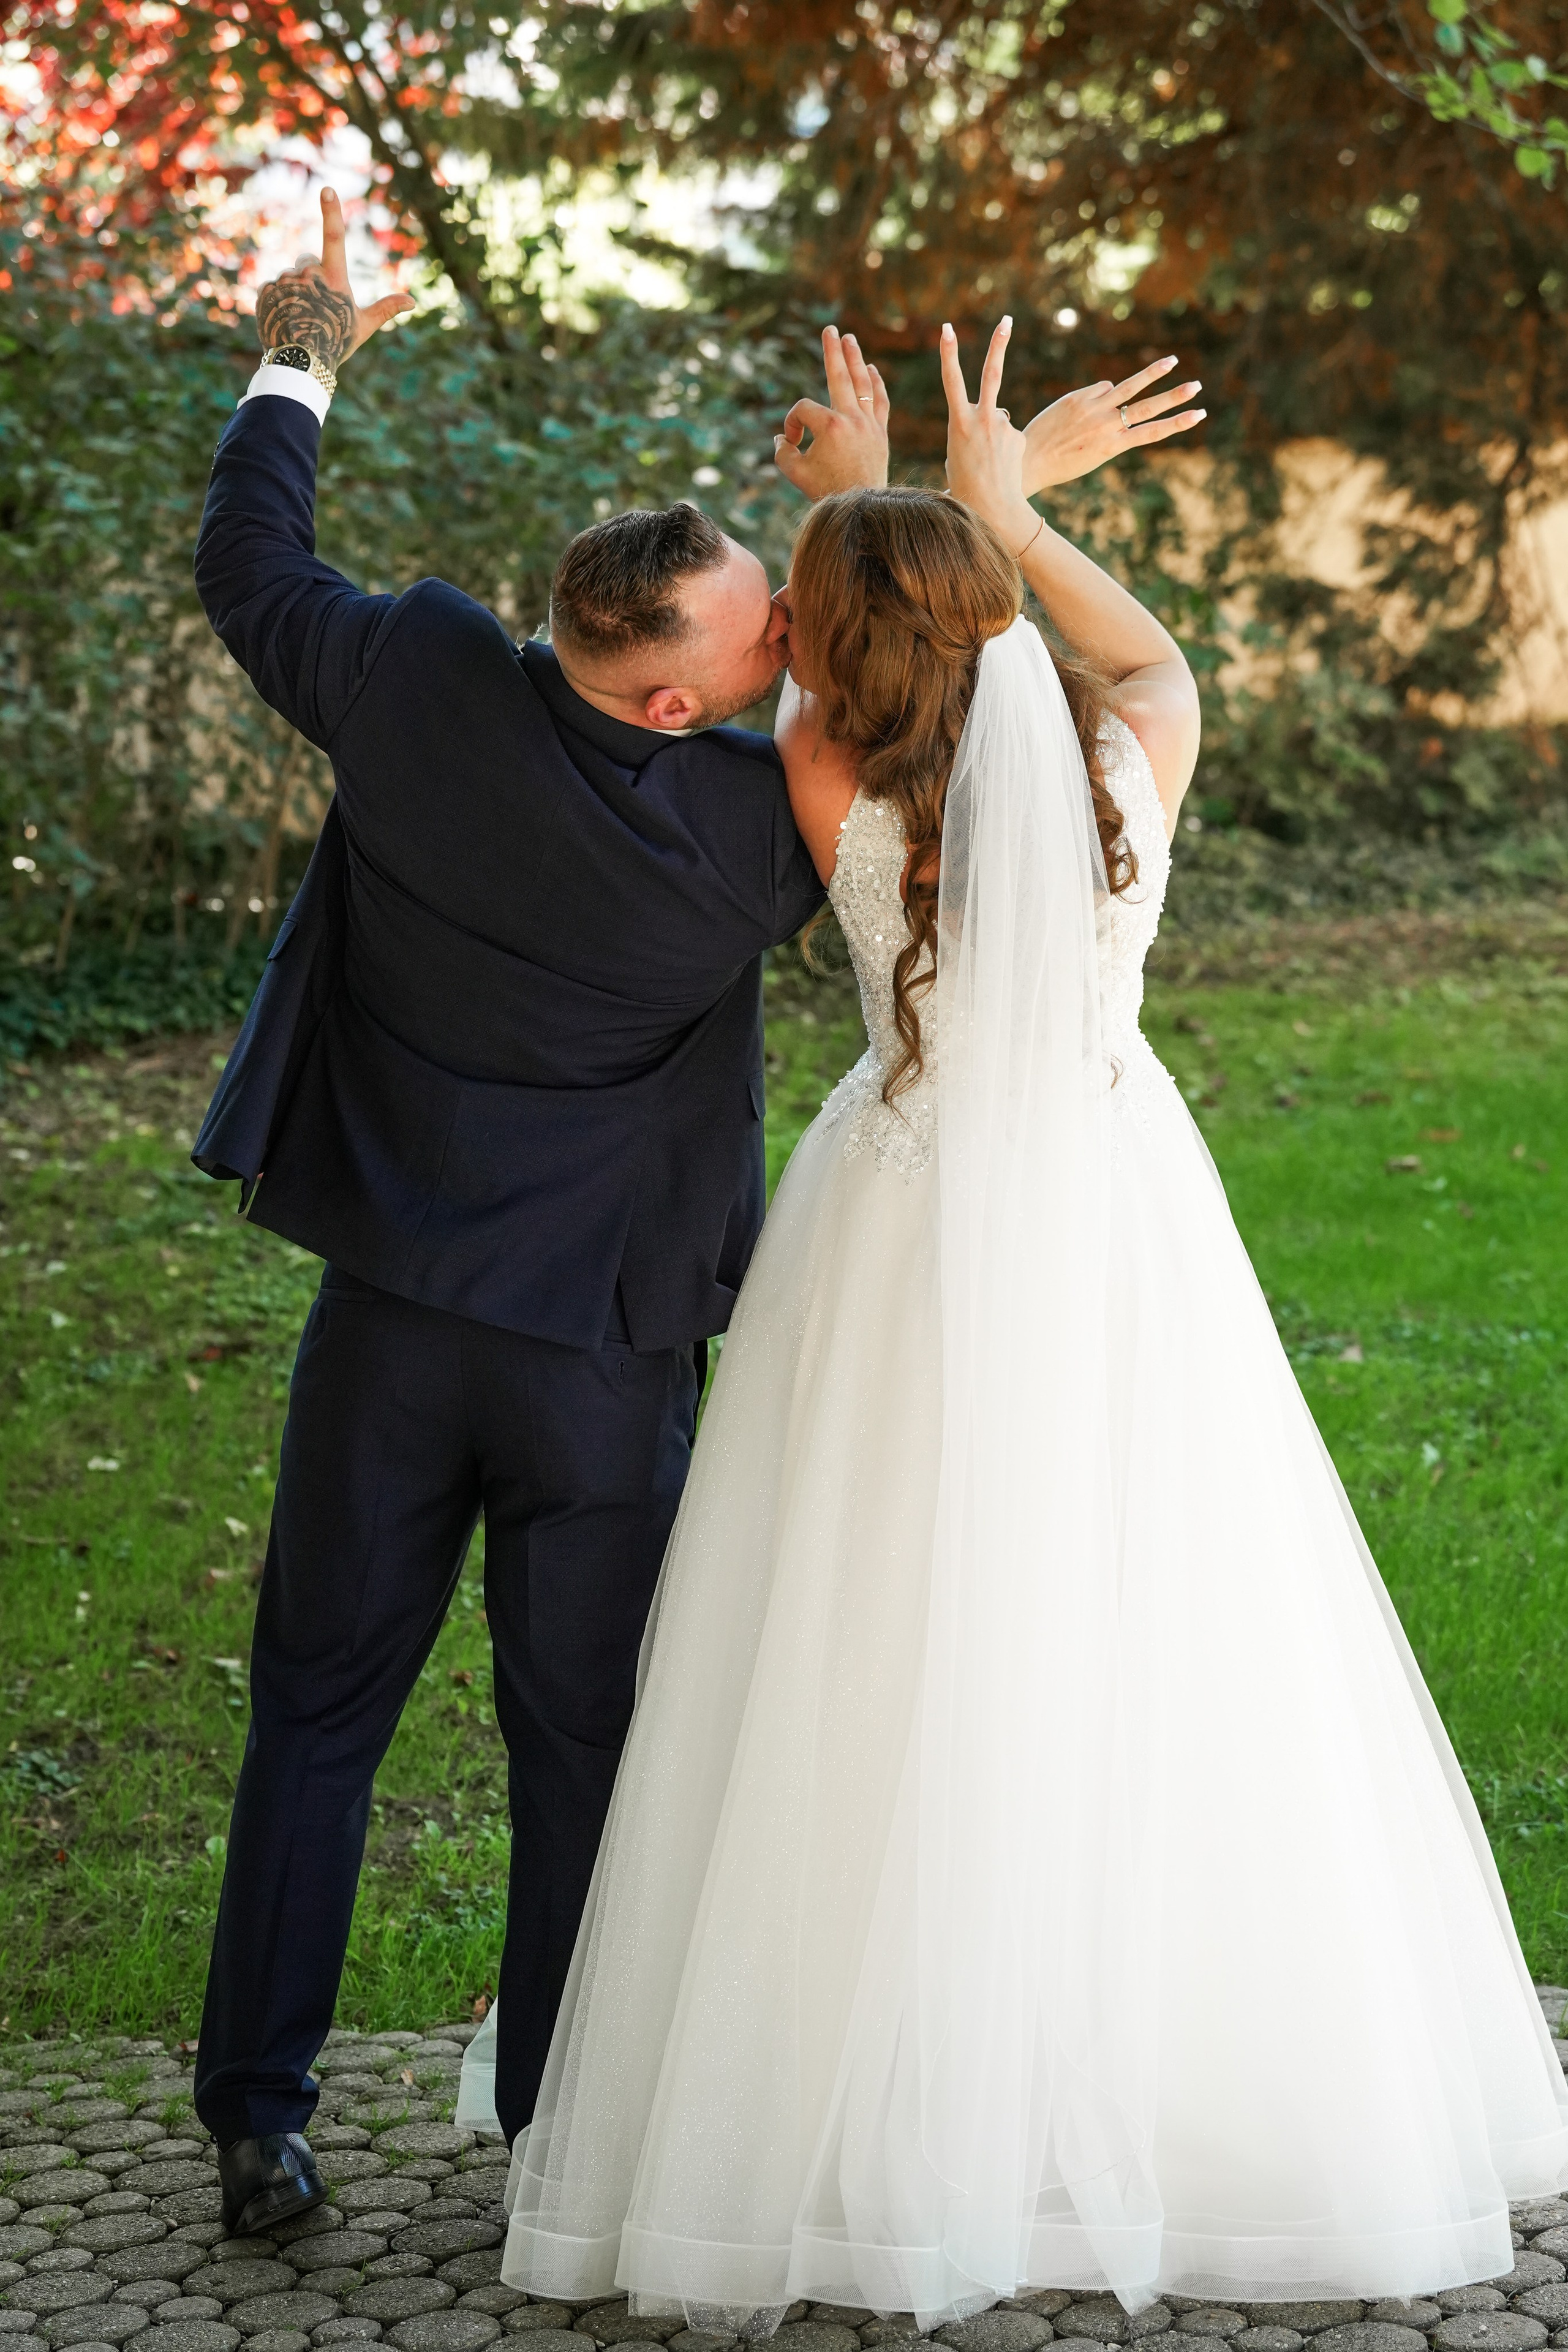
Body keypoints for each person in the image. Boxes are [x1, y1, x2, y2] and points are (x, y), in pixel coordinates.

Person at [460, 318, 1568, 2324]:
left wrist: (851, 508)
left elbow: (817, 662)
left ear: (832, 645)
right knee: (1157, 1603)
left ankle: (851, 2095)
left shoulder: (816, 777)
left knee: (864, 1621)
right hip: (1114, 1206)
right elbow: (1145, 657)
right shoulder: (1130, 758)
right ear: (989, 613)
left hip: (897, 1217)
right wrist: (1006, 506)